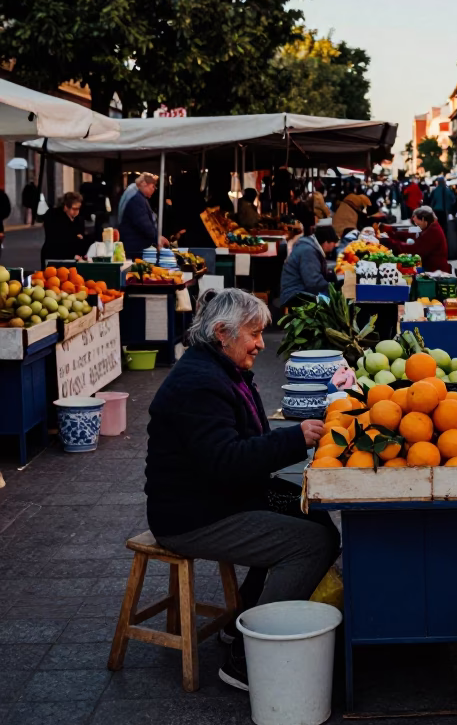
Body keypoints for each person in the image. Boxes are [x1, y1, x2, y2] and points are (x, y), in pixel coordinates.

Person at [145, 288, 338, 690]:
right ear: (222, 333)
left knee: (312, 515)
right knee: (310, 543)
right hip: (193, 515)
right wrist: (295, 439)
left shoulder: (219, 371)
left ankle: (241, 622)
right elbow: (226, 461)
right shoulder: (200, 384)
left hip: (217, 498)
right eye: (253, 333)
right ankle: (247, 659)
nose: (260, 344)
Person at [278, 225, 339, 307]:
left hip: (300, 291)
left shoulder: (309, 248)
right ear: (325, 243)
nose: (335, 245)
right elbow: (313, 282)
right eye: (333, 242)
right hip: (295, 295)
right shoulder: (308, 251)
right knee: (336, 302)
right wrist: (334, 289)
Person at [385, 205, 449, 272]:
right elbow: (410, 232)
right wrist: (394, 232)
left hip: (436, 270)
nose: (417, 226)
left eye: (418, 224)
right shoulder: (428, 226)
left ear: (424, 219)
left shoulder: (433, 230)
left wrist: (393, 243)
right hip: (430, 266)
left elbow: (416, 249)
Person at [120, 173, 169, 258]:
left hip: (134, 246)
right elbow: (144, 224)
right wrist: (157, 237)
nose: (154, 190)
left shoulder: (137, 196)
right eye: (153, 186)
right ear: (144, 184)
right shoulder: (136, 199)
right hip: (134, 249)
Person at [41, 191, 86, 267]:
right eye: (74, 209)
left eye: (78, 208)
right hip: (54, 256)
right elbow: (56, 239)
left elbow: (81, 238)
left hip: (73, 258)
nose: (77, 212)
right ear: (65, 207)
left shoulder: (78, 219)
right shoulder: (53, 216)